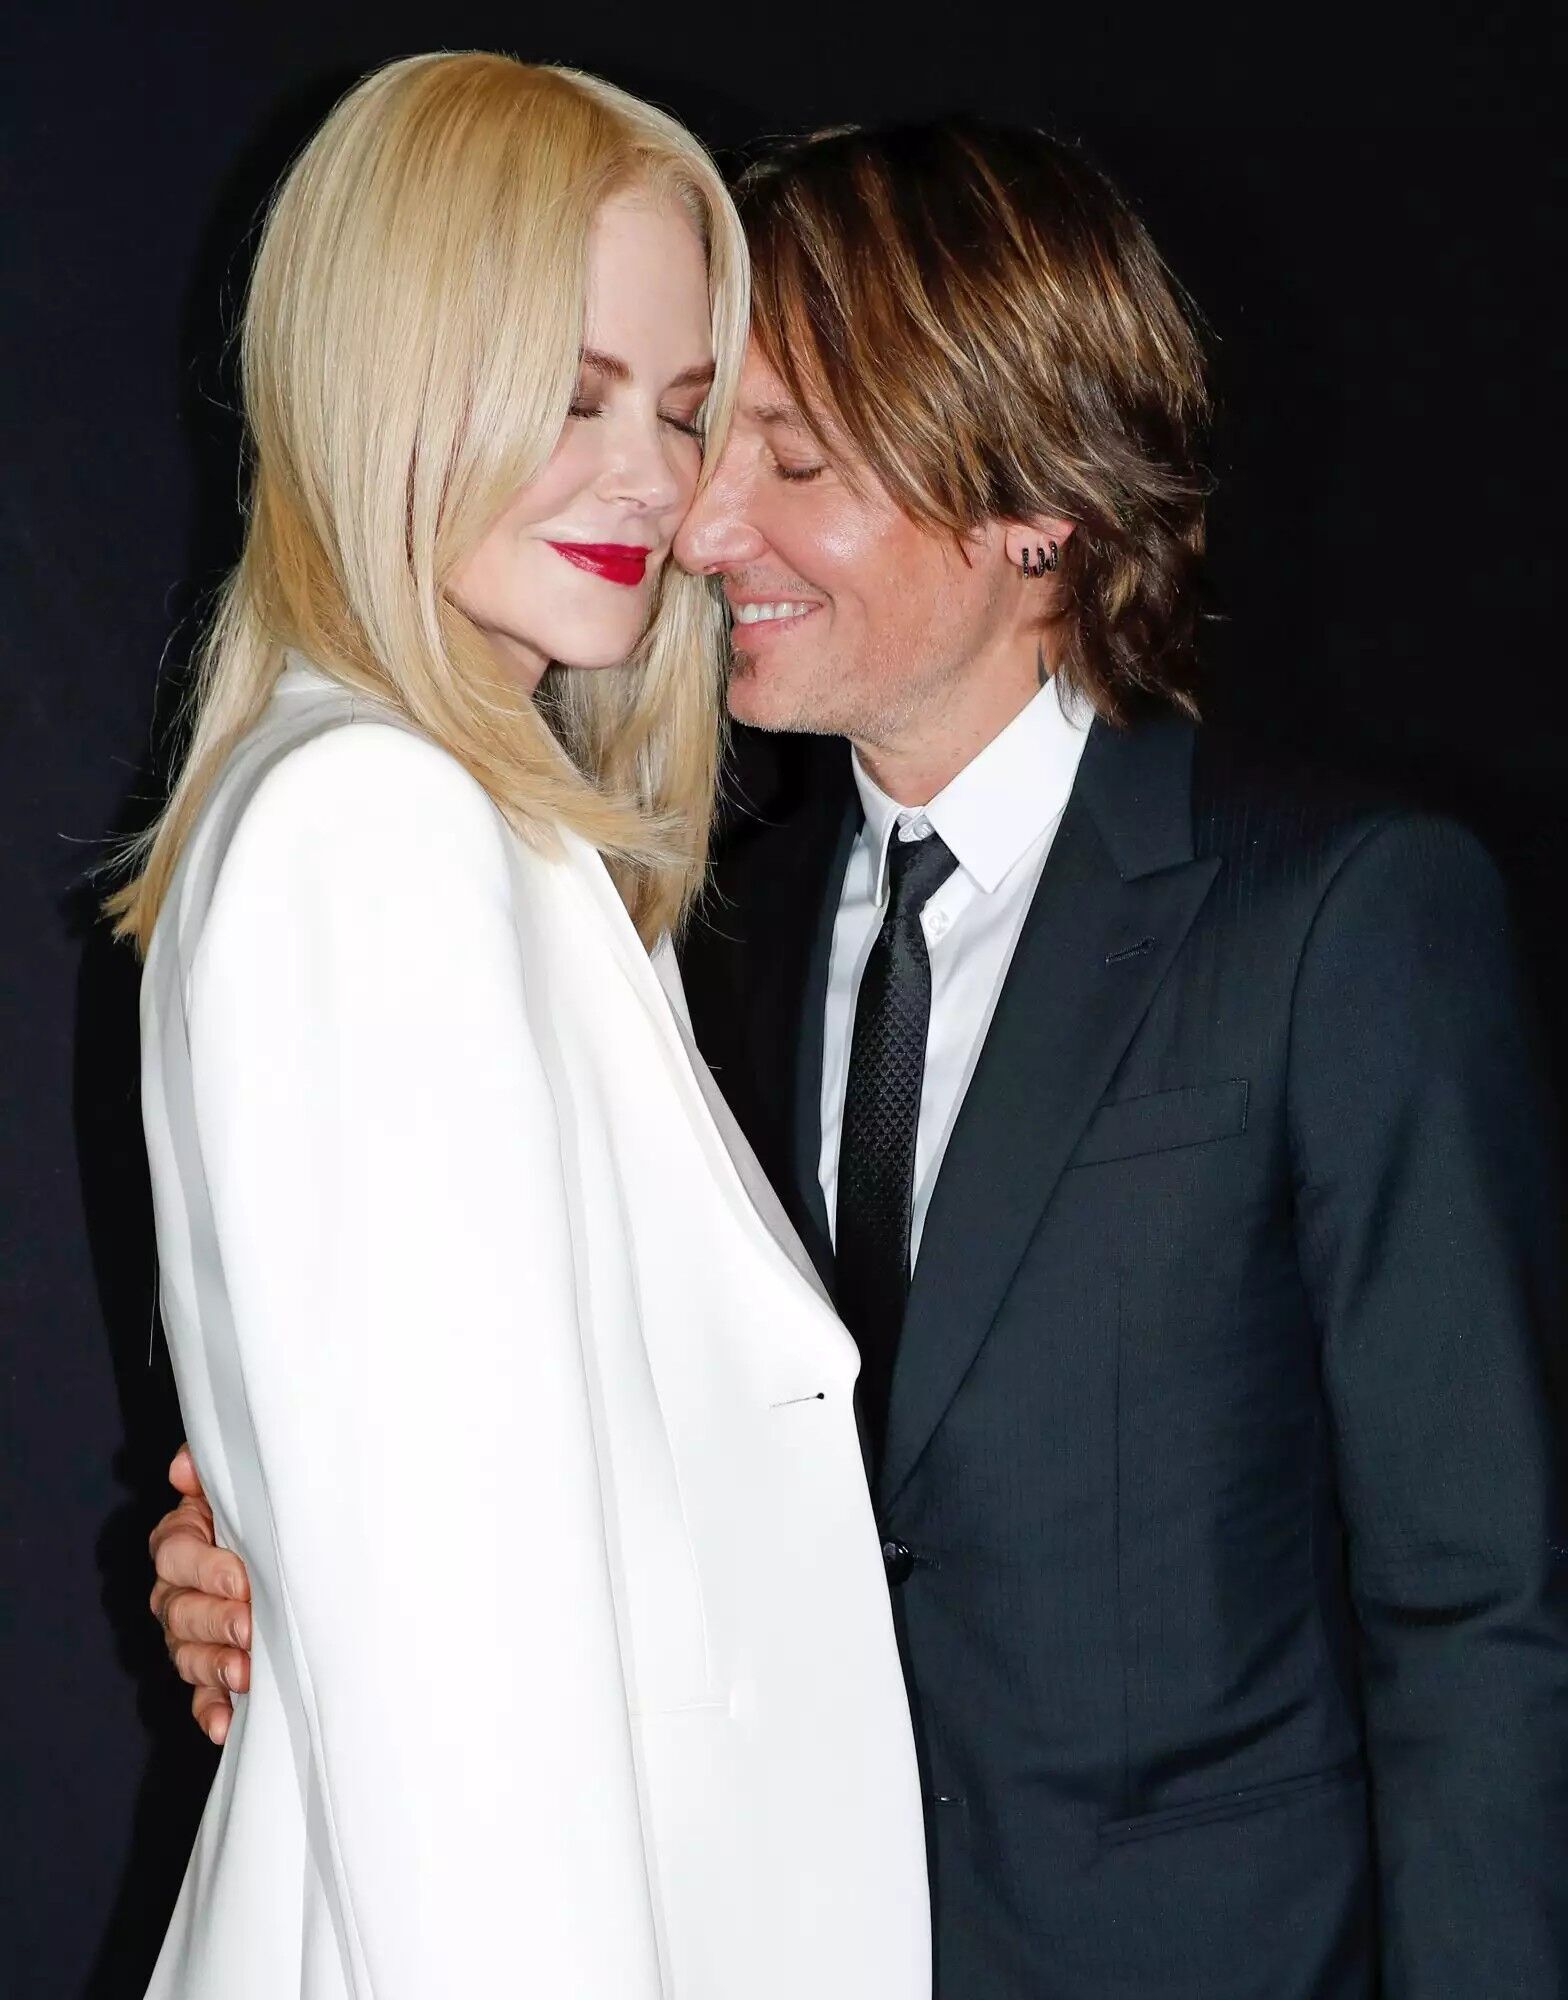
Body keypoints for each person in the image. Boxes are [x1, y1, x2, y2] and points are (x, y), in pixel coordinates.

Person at [149, 117, 1568, 1996]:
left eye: (783, 457)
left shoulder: (1343, 922)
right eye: (701, 434)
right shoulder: (670, 941)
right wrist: (296, 1554)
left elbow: (1481, 1619)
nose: (698, 522)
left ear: (1035, 507)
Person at [120, 55, 929, 2000]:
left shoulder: (462, 824)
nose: (652, 480)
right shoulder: (379, 834)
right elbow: (458, 1679)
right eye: (569, 397)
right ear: (393, 371)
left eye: (677, 406)